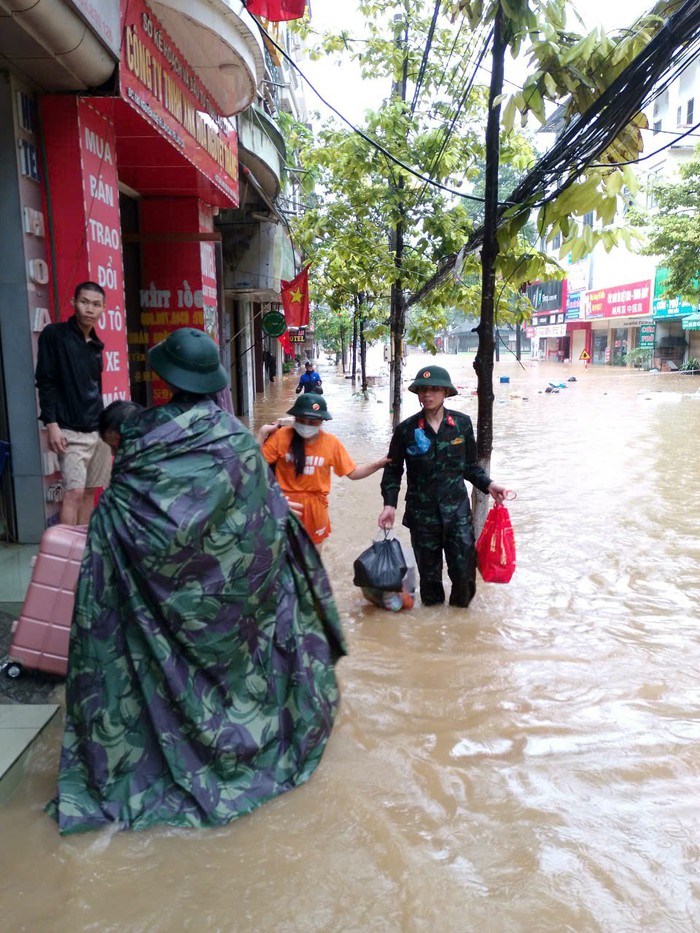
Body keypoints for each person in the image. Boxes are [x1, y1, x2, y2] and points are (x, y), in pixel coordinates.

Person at [47, 327, 346, 835]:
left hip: (155, 590)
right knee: (236, 668)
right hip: (225, 595)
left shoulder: (139, 434)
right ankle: (239, 741)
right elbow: (263, 517)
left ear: (165, 379)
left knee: (142, 664)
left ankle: (153, 759)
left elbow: (127, 510)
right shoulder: (234, 435)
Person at [378, 365, 509, 608]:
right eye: (423, 390)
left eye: (435, 389)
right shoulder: (406, 430)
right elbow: (393, 470)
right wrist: (389, 504)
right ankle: (433, 631)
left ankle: (460, 629)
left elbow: (470, 467)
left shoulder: (461, 424)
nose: (428, 395)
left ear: (446, 392)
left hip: (458, 515)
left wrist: (490, 485)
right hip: (422, 517)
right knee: (429, 581)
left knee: (464, 576)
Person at [257, 393, 388, 549]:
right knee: (280, 562)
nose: (306, 425)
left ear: (321, 421)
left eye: (312, 422)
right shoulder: (281, 437)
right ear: (295, 418)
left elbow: (353, 473)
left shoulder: (331, 443)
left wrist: (379, 464)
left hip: (315, 510)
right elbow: (253, 468)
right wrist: (262, 433)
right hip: (285, 506)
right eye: (301, 420)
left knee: (313, 564)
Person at [35, 281, 112, 525]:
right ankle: (65, 556)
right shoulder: (54, 335)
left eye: (96, 304)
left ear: (103, 309)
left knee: (90, 492)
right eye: (84, 302)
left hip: (97, 430)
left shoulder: (96, 345)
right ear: (73, 303)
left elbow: (94, 389)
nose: (90, 309)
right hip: (69, 429)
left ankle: (83, 552)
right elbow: (45, 381)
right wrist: (52, 424)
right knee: (73, 493)